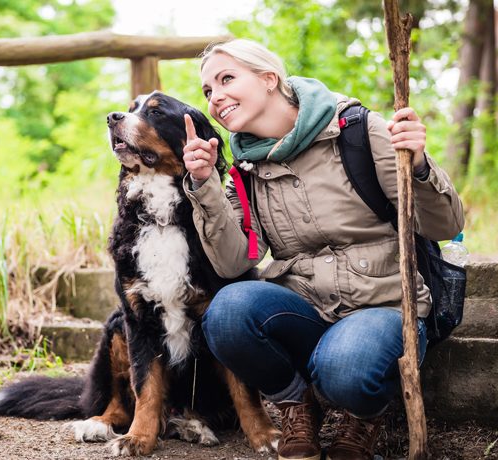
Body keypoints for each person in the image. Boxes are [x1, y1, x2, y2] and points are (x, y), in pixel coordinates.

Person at [181, 39, 464, 460]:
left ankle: (363, 416)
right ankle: (298, 406)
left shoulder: (358, 131)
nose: (215, 97)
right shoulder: (244, 169)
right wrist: (205, 186)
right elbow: (234, 260)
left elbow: (447, 224)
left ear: (269, 79)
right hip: (308, 309)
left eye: (226, 79)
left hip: (383, 307)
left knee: (345, 368)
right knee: (226, 312)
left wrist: (419, 166)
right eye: (207, 91)